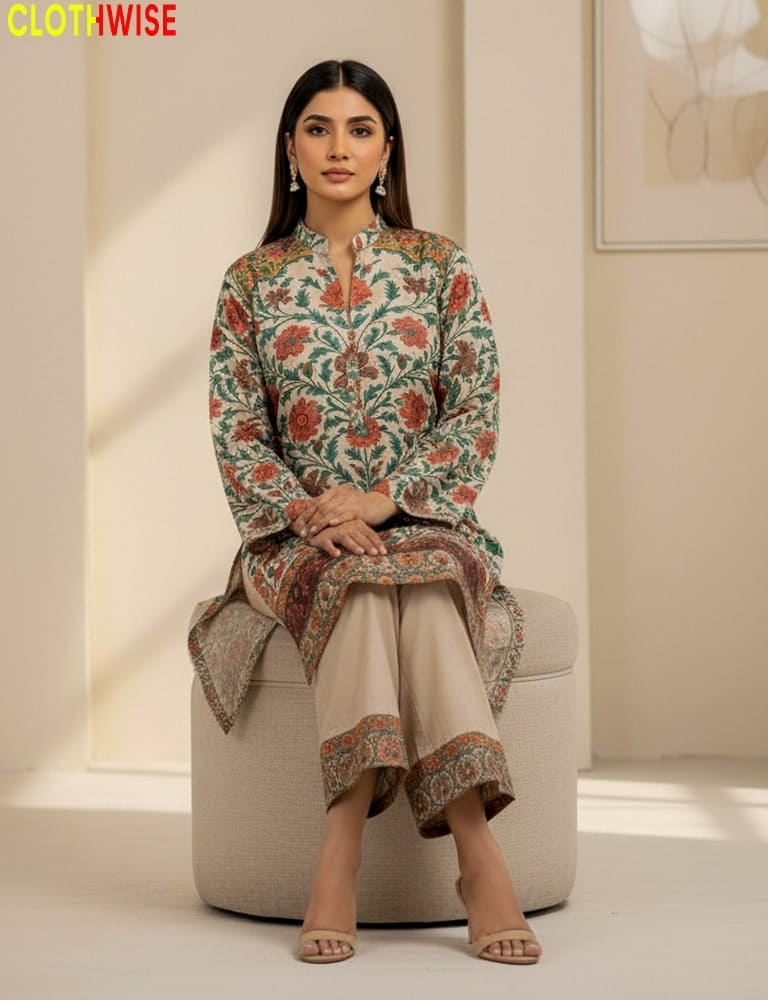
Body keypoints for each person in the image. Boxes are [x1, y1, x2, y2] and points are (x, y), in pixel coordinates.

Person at [199, 58, 541, 966]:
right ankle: (353, 847)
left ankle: (468, 852)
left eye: (359, 129)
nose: (338, 147)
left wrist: (391, 498)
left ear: (387, 149)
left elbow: (478, 413)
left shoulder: (441, 268)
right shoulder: (250, 283)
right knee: (356, 581)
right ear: (290, 149)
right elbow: (237, 433)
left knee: (421, 580)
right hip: (294, 535)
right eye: (318, 127)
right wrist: (314, 515)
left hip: (427, 519)